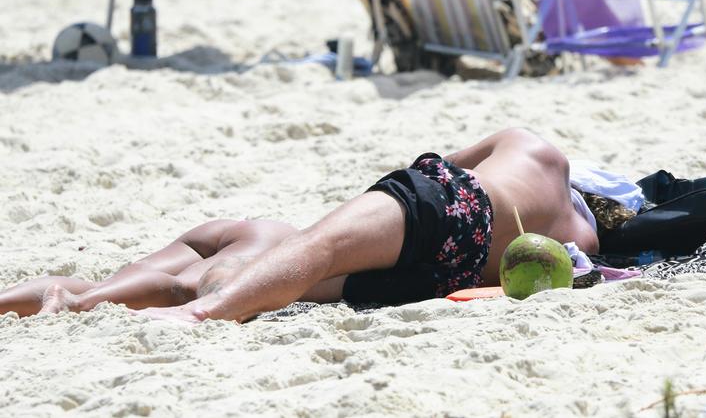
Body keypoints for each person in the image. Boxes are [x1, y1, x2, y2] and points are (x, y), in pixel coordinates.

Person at [0, 128, 600, 323]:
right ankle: (187, 311)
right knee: (296, 260)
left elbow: (437, 168)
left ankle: (187, 313)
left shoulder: (534, 148)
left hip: (449, 205)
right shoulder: (583, 246)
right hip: (448, 266)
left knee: (315, 247)